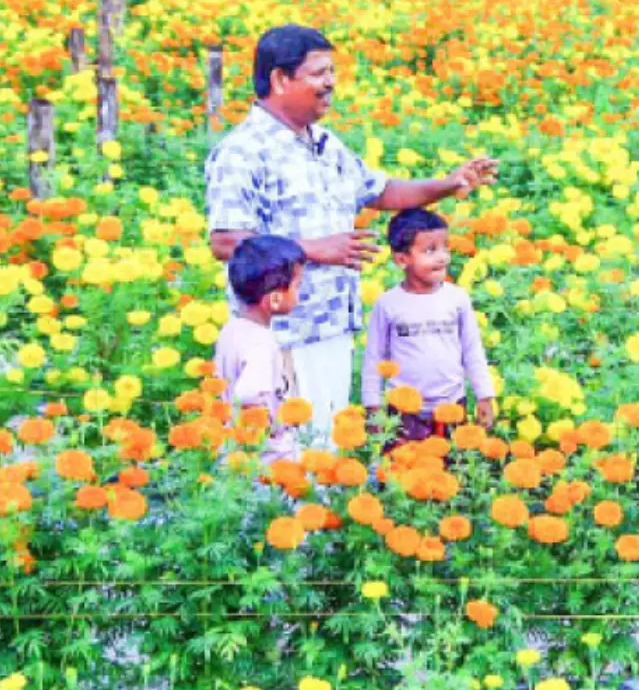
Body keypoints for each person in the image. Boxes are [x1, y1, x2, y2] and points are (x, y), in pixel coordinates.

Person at [205, 24, 498, 446]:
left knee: (322, 449)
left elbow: (379, 190)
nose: (331, 83)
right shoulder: (242, 151)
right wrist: (313, 251)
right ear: (280, 79)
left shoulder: (323, 142)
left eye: (332, 72)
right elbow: (227, 241)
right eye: (319, 73)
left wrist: (449, 184)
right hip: (283, 334)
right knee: (281, 457)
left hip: (331, 328)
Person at [361, 209, 495, 448]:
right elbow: (374, 358)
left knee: (451, 471)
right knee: (404, 472)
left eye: (445, 248)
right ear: (402, 259)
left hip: (452, 404)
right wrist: (373, 407)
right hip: (404, 411)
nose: (442, 257)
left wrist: (484, 395)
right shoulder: (388, 304)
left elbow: (472, 351)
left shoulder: (457, 299)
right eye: (430, 250)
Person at [212, 235, 305, 463]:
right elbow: (250, 394)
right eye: (297, 286)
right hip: (266, 462)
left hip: (233, 453)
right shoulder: (261, 343)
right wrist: (270, 428)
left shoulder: (231, 330)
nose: (299, 294)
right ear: (274, 298)